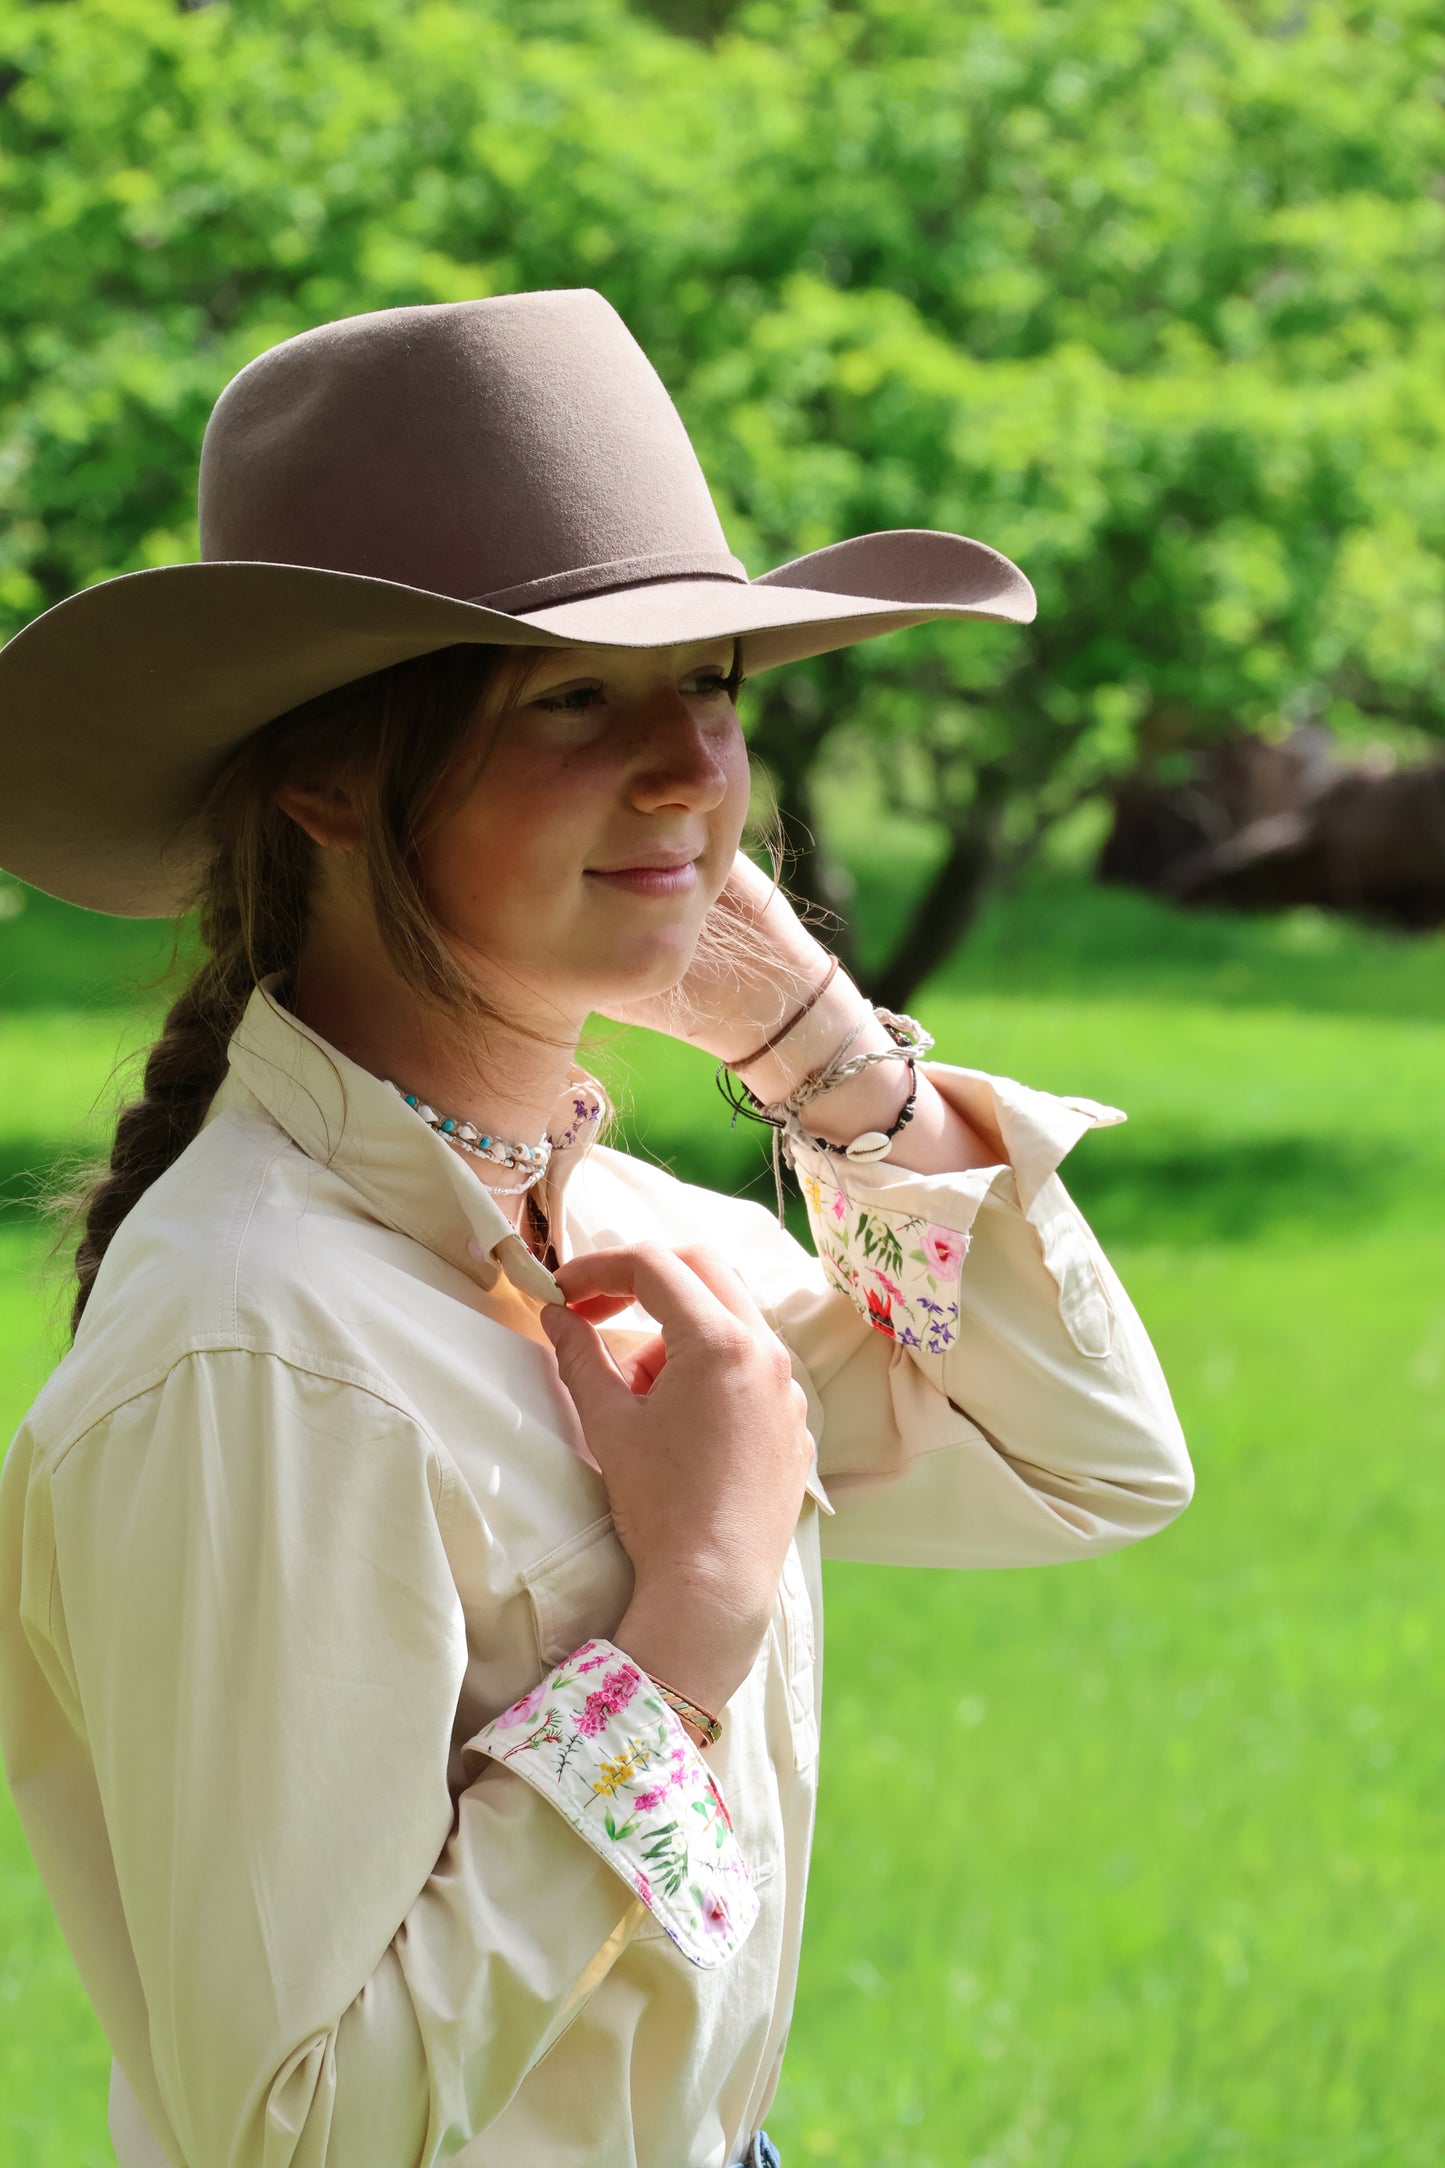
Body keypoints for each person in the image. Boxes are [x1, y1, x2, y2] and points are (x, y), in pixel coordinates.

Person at [0, 289, 1193, 2168]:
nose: (687, 775)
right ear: (322, 776)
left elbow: (1092, 1468)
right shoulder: (258, 1358)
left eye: (712, 689)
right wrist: (689, 1620)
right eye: (574, 697)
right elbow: (291, 2134)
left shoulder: (642, 1233)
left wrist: (833, 1067)